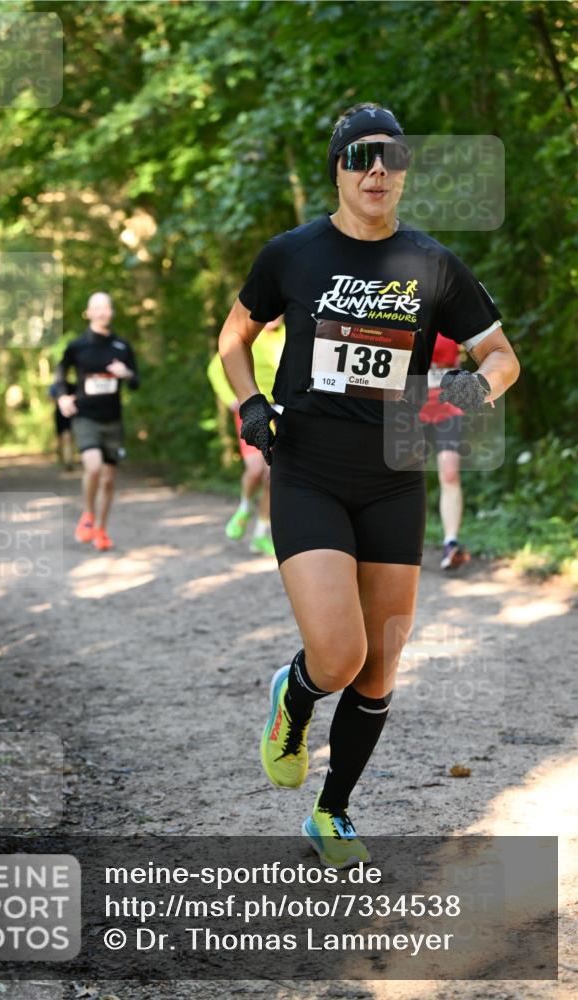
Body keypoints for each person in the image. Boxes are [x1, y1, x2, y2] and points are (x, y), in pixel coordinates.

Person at [218, 102, 519, 867]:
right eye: (359, 157)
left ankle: (333, 811)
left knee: (380, 664)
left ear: (404, 169)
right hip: (309, 471)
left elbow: (500, 359)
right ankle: (294, 693)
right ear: (339, 169)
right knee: (339, 654)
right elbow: (233, 337)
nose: (376, 169)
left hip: (393, 479)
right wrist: (250, 402)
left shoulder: (432, 264)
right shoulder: (291, 253)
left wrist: (452, 401)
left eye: (389, 156)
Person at [55, 292, 140, 551]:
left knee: (109, 479)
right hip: (85, 416)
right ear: (88, 313)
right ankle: (88, 515)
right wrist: (61, 397)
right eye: (97, 308)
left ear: (112, 312)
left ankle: (101, 529)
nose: (102, 312)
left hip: (112, 419)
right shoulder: (77, 346)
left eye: (106, 308)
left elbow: (136, 382)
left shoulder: (122, 347)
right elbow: (60, 374)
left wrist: (126, 373)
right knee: (93, 467)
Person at [207, 317, 285, 556]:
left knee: (273, 474)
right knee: (255, 470)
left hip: (282, 409)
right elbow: (215, 368)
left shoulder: (289, 335)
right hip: (252, 407)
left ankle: (261, 532)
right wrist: (231, 398)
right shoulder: (248, 333)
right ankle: (244, 507)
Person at [420, 332, 471, 570]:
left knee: (450, 473)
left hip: (447, 408)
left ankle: (451, 543)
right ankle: (400, 544)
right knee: (405, 476)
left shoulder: (451, 314)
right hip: (410, 406)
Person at [49, 380, 76, 471]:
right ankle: (62, 457)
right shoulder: (54, 386)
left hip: (69, 415)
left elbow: (50, 399)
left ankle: (68, 460)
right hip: (61, 415)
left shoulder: (70, 385)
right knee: (62, 438)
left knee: (67, 438)